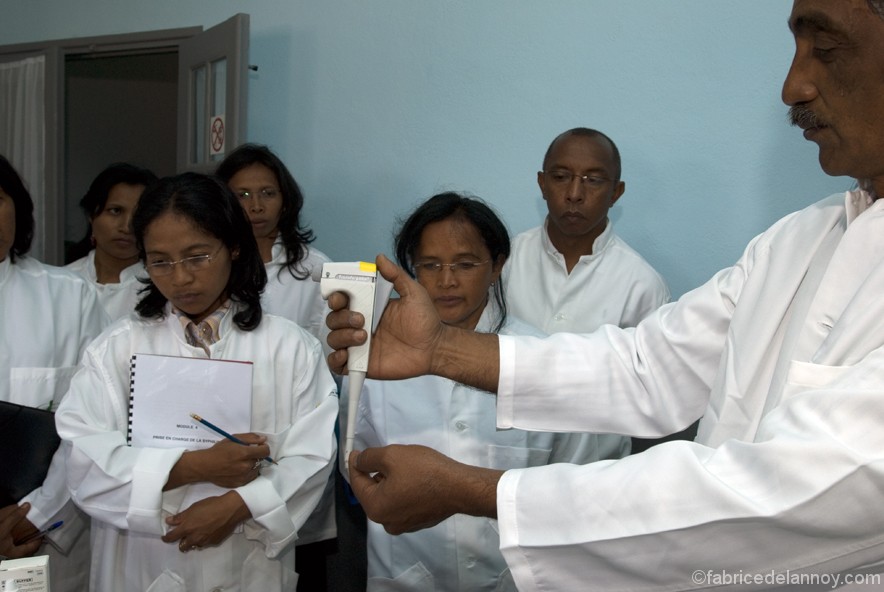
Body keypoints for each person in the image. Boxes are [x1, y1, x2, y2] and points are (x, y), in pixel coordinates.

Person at [325, 1, 884, 589]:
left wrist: (470, 489)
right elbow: (647, 367)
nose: (792, 86)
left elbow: (789, 496)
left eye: (826, 48)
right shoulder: (799, 239)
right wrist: (438, 349)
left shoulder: (641, 276)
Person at [55, 172, 338, 591]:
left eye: (197, 256)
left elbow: (312, 457)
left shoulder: (290, 348)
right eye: (161, 261)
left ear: (234, 247)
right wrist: (192, 467)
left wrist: (238, 505)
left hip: (247, 559)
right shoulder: (116, 348)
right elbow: (84, 462)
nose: (181, 278)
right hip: (142, 562)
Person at [342, 192, 605, 591]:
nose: (446, 280)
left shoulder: (538, 357)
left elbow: (578, 476)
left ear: (497, 266)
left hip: (518, 577)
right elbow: (355, 459)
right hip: (405, 571)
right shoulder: (374, 363)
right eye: (430, 265)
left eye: (465, 264)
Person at [505, 127, 671, 453]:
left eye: (593, 180)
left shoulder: (642, 285)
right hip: (503, 459)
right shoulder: (505, 262)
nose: (575, 193)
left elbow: (654, 399)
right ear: (542, 183)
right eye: (561, 176)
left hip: (592, 470)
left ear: (616, 192)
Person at [216, 143, 337, 590]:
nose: (256, 205)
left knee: (296, 550)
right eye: (243, 194)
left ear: (285, 198)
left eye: (266, 192)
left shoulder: (314, 268)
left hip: (294, 423)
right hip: (224, 422)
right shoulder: (216, 265)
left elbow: (329, 356)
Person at [0, 154, 108, 591]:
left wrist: (36, 516)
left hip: (40, 531)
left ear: (18, 208)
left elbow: (99, 420)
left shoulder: (70, 297)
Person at [65, 162, 158, 320]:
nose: (127, 227)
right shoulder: (62, 281)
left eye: (138, 215)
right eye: (115, 211)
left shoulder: (159, 288)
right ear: (91, 215)